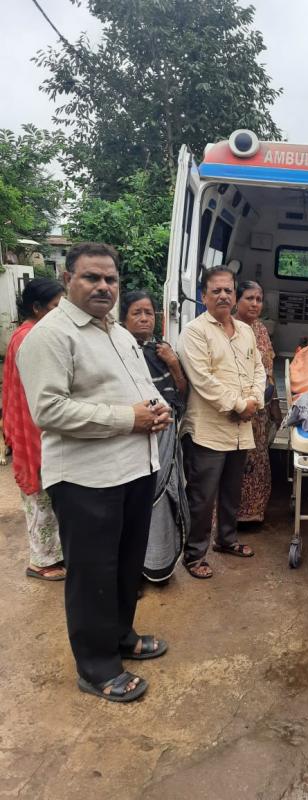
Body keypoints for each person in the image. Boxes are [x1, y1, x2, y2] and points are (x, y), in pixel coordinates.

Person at [18, 242, 171, 703]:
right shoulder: (52, 335)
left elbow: (137, 390)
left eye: (110, 279)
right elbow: (48, 410)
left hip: (133, 470)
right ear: (68, 279)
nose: (104, 286)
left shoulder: (117, 332)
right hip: (86, 479)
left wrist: (155, 409)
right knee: (92, 574)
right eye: (92, 277)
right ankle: (97, 666)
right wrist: (131, 419)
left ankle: (121, 638)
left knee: (126, 566)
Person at [177, 266, 266, 580]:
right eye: (216, 291)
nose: (224, 296)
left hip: (240, 429)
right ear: (204, 296)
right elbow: (203, 381)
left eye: (228, 290)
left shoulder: (244, 330)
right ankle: (193, 555)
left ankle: (226, 540)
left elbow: (258, 369)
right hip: (208, 430)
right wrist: (241, 405)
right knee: (202, 498)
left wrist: (254, 399)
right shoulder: (195, 332)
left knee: (232, 491)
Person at [121, 290, 190, 582]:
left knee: (165, 498)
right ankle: (131, 571)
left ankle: (158, 561)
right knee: (135, 503)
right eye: (137, 312)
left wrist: (173, 363)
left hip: (167, 437)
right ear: (123, 318)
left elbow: (182, 393)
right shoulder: (120, 351)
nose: (144, 318)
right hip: (134, 441)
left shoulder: (162, 350)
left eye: (148, 312)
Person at [2, 278, 65, 581]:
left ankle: (53, 555)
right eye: (55, 307)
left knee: (48, 498)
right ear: (37, 308)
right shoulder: (30, 336)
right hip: (33, 427)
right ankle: (42, 562)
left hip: (31, 424)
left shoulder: (28, 333)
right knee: (40, 497)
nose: (60, 312)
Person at [233, 280, 277, 523]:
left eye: (259, 299)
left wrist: (274, 406)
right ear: (237, 301)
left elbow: (268, 367)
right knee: (240, 461)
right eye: (249, 298)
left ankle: (254, 512)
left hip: (261, 409)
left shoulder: (259, 328)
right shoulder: (231, 328)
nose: (255, 304)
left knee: (259, 458)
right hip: (242, 408)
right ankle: (234, 516)